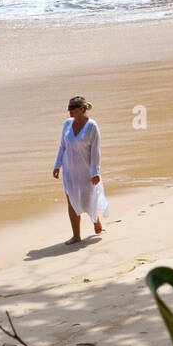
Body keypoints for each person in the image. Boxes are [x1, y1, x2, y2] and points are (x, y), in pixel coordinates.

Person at [52, 95, 108, 243]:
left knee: (89, 198)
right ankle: (76, 236)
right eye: (68, 107)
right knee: (71, 200)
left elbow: (96, 151)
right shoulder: (67, 124)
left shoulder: (92, 126)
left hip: (86, 171)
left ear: (81, 109)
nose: (68, 110)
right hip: (69, 171)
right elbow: (62, 146)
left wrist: (95, 172)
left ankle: (96, 221)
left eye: (72, 107)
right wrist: (57, 165)